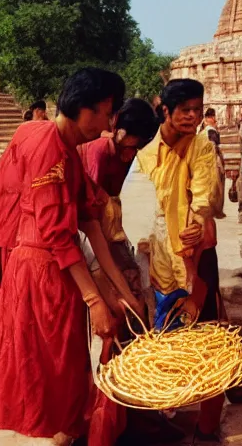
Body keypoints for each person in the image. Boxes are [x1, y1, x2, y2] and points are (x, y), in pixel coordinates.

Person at [0, 68, 123, 444]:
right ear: (83, 110)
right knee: (50, 363)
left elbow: (88, 220)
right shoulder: (51, 151)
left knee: (68, 361)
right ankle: (61, 430)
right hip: (41, 269)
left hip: (48, 264)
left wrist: (121, 290)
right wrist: (95, 299)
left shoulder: (55, 141)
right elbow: (59, 235)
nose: (109, 123)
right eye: (107, 113)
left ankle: (67, 429)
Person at [135, 78, 234, 441]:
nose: (193, 116)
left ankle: (208, 426)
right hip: (158, 261)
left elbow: (204, 192)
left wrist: (198, 220)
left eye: (197, 109)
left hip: (196, 255)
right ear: (166, 110)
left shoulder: (202, 146)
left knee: (208, 334)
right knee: (164, 336)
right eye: (185, 110)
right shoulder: (145, 155)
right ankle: (166, 409)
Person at [78, 98, 160, 319]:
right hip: (88, 230)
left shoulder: (126, 154)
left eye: (138, 147)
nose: (132, 154)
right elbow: (91, 211)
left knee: (133, 277)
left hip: (109, 229)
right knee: (115, 297)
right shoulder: (100, 150)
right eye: (132, 146)